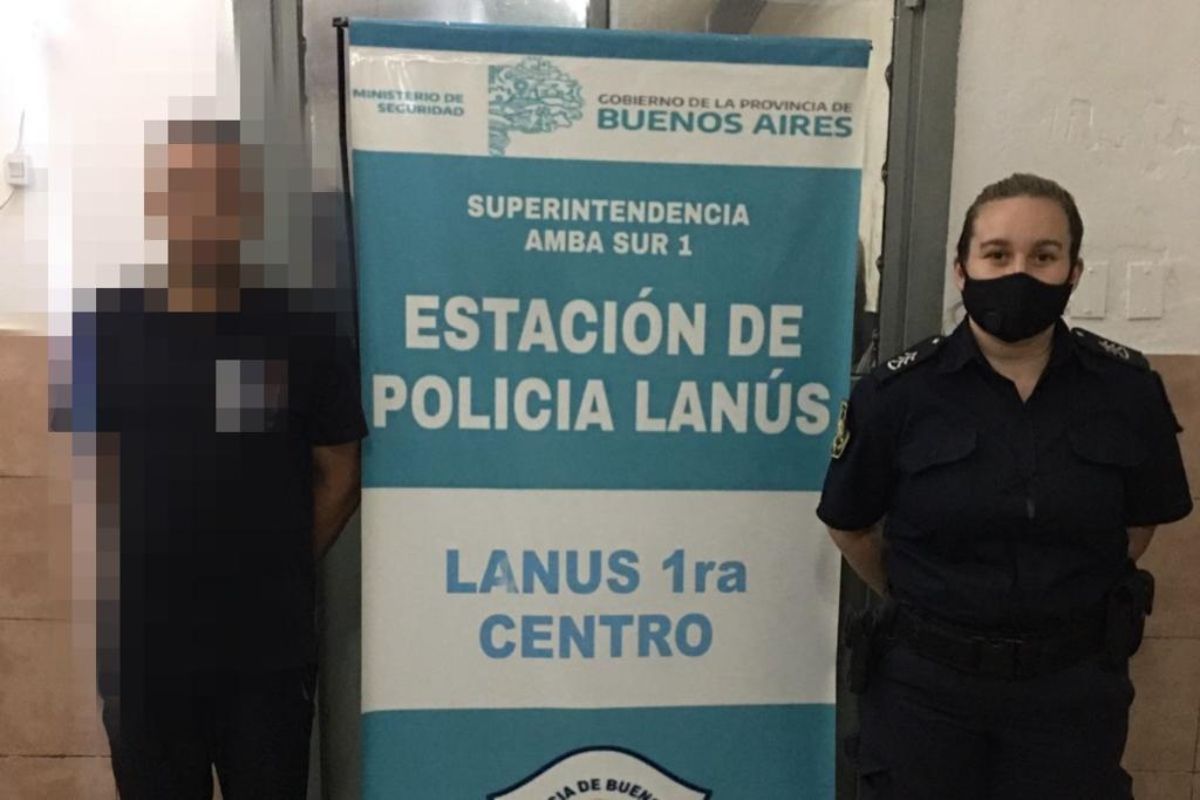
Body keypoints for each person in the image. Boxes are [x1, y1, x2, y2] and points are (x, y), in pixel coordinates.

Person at [818, 173, 1192, 799]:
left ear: (1074, 272)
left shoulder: (1127, 392)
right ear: (962, 269)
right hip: (926, 694)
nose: (1019, 273)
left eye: (1044, 256)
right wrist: (934, 601)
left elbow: (1138, 525)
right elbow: (850, 526)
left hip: (1070, 692)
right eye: (997, 254)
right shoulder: (897, 394)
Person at [65, 119, 367, 798]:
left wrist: (274, 559)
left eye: (221, 190)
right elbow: (100, 471)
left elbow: (342, 472)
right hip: (145, 657)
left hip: (266, 654)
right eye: (184, 188)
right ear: (158, 203)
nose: (202, 209)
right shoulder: (105, 329)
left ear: (248, 206)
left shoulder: (306, 331)